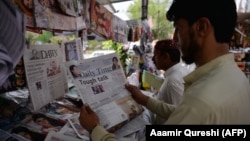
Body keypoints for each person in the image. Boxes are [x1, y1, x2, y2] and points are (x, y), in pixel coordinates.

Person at [78, 0, 250, 140]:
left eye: (178, 28)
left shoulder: (202, 102)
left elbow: (194, 111)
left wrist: (95, 129)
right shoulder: (236, 77)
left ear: (202, 27)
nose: (175, 38)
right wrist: (144, 100)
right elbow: (182, 112)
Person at [147, 39, 190, 124]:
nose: (153, 59)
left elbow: (179, 115)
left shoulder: (173, 81)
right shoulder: (179, 72)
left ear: (165, 57)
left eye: (156, 55)